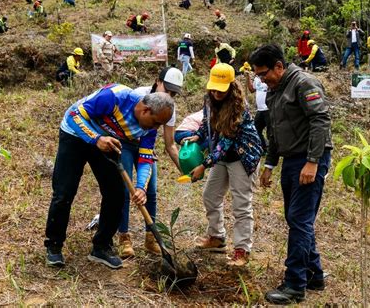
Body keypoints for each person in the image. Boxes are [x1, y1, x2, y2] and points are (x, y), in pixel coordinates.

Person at [43, 86, 174, 269]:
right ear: (145, 110)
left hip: (105, 141)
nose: (155, 128)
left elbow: (145, 158)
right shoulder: (115, 98)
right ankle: (54, 245)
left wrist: (141, 187)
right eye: (155, 123)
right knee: (64, 191)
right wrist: (96, 139)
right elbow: (74, 116)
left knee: (116, 194)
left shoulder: (149, 129)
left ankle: (101, 246)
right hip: (74, 135)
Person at [249, 44, 332, 305]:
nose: (262, 80)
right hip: (290, 161)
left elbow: (321, 121)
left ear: (279, 67)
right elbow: (274, 131)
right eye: (258, 75)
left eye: (264, 74)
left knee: (299, 219)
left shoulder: (303, 83)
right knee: (297, 218)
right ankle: (314, 274)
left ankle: (295, 284)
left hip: (309, 160)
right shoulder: (275, 91)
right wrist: (270, 164)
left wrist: (313, 162)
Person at [184, 63, 262, 266]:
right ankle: (217, 237)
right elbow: (206, 121)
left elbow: (226, 141)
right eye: (214, 87)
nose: (217, 92)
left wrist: (204, 164)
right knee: (210, 195)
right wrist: (198, 135)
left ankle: (242, 250)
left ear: (231, 85)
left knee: (241, 204)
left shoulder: (239, 107)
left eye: (221, 88)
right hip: (223, 156)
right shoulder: (209, 98)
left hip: (242, 157)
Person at [117, 67, 183, 258]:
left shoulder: (169, 109)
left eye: (173, 93)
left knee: (150, 190)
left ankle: (150, 238)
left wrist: (184, 170)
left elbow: (170, 145)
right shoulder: (138, 95)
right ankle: (124, 238)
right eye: (166, 89)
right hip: (126, 144)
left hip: (147, 147)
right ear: (157, 81)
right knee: (125, 189)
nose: (168, 95)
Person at [242, 62, 269, 154]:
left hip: (268, 109)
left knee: (271, 132)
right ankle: (265, 148)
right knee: (256, 129)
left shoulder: (267, 76)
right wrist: (248, 77)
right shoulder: (257, 78)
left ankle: (274, 151)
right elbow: (251, 89)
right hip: (260, 110)